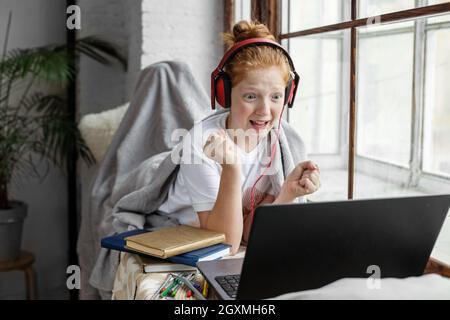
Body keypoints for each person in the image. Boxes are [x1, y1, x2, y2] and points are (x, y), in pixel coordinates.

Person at [158, 20, 320, 254]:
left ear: (288, 95)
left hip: (228, 225)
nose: (265, 110)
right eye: (251, 96)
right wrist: (231, 167)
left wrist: (288, 192)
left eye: (275, 97)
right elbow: (227, 245)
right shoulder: (200, 145)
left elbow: (249, 233)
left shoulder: (282, 142)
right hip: (182, 223)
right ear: (225, 94)